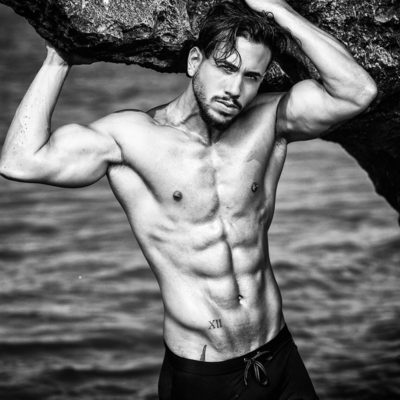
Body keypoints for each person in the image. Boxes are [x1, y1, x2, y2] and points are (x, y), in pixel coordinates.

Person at [0, 0, 377, 399]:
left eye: (251, 76)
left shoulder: (269, 121)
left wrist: (278, 10)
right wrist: (58, 61)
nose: (235, 89)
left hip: (279, 356)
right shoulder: (134, 138)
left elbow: (358, 91)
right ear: (195, 61)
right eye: (226, 68)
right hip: (205, 375)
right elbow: (19, 161)